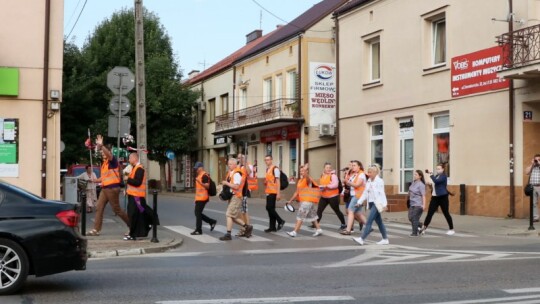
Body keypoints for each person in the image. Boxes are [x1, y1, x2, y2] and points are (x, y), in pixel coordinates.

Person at [87, 135, 130, 236]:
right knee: (99, 207)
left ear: (108, 152)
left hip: (112, 188)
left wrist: (101, 146)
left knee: (117, 209)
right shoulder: (105, 164)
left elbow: (107, 154)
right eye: (101, 153)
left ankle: (132, 226)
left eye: (103, 152)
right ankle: (96, 230)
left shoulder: (112, 160)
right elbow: (104, 177)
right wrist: (95, 180)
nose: (102, 154)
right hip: (105, 188)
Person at [352, 164, 389, 246]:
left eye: (370, 172)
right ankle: (385, 239)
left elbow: (382, 193)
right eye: (368, 172)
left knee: (369, 221)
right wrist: (359, 202)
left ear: (375, 172)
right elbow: (365, 193)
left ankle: (362, 239)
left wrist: (385, 204)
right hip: (371, 203)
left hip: (377, 203)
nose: (369, 174)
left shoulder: (379, 181)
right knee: (379, 222)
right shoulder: (368, 181)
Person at [219, 158, 253, 241]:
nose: (229, 165)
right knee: (233, 217)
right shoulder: (231, 173)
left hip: (236, 197)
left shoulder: (237, 173)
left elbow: (236, 186)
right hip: (232, 197)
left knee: (229, 214)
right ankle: (247, 226)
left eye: (230, 164)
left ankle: (228, 234)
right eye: (228, 164)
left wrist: (226, 183)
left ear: (235, 164)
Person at [286, 164, 323, 237]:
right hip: (307, 202)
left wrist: (306, 170)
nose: (301, 172)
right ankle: (318, 229)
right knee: (313, 217)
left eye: (303, 171)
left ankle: (294, 232)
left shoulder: (308, 179)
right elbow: (297, 192)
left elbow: (307, 177)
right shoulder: (300, 181)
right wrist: (290, 200)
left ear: (306, 171)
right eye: (300, 171)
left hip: (307, 202)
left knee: (300, 217)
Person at [125, 152, 156, 240]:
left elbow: (137, 182)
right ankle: (141, 231)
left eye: (130, 158)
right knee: (140, 213)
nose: (129, 160)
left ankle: (133, 234)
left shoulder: (139, 169)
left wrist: (128, 179)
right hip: (135, 196)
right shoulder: (135, 168)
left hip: (136, 197)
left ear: (135, 158)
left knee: (133, 214)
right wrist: (126, 190)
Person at [419, 164, 455, 236]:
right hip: (435, 197)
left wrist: (431, 174)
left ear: (443, 169)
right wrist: (429, 184)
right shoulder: (436, 176)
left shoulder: (443, 176)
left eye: (439, 169)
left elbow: (437, 182)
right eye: (437, 169)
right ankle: (424, 228)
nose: (437, 170)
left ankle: (451, 229)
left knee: (446, 213)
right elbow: (435, 184)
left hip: (442, 197)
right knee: (430, 213)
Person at [340, 160, 367, 235]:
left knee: (350, 211)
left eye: (354, 165)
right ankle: (368, 227)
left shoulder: (361, 174)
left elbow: (357, 185)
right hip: (353, 195)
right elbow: (349, 183)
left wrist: (347, 182)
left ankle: (348, 230)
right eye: (352, 165)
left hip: (358, 195)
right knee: (357, 213)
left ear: (359, 166)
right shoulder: (355, 174)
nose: (352, 167)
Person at [316, 162, 346, 230]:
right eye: (327, 167)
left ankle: (343, 224)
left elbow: (335, 185)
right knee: (319, 210)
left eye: (330, 168)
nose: (328, 169)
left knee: (337, 210)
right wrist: (320, 189)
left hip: (333, 197)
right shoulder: (322, 175)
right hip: (324, 197)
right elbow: (321, 184)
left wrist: (326, 186)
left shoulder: (333, 176)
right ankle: (316, 224)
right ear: (324, 168)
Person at [191, 161, 217, 235]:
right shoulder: (200, 175)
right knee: (197, 213)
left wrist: (200, 182)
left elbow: (207, 186)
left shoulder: (204, 175)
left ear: (201, 168)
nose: (196, 170)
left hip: (203, 198)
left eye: (197, 168)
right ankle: (211, 222)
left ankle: (199, 230)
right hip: (199, 198)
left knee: (197, 213)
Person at [263, 155, 285, 232]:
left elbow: (278, 181)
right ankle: (272, 227)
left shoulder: (275, 169)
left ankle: (280, 221)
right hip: (268, 191)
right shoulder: (267, 169)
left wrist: (278, 193)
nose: (267, 161)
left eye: (268, 160)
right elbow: (270, 180)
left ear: (271, 160)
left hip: (273, 192)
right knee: (270, 209)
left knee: (269, 208)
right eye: (265, 160)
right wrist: (265, 182)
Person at [236, 153, 251, 236]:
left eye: (241, 157)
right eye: (238, 158)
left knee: (244, 212)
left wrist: (245, 162)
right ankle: (245, 228)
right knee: (240, 212)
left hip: (243, 192)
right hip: (237, 192)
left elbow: (249, 172)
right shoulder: (237, 167)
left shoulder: (246, 166)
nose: (240, 159)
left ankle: (246, 229)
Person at [408, 170, 426, 237]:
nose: (414, 175)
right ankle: (421, 225)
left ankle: (414, 233)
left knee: (414, 218)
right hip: (412, 203)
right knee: (410, 218)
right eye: (414, 174)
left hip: (418, 204)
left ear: (420, 176)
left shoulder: (421, 185)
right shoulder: (413, 182)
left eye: (416, 174)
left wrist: (424, 205)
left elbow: (423, 195)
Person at [525, 154, 540, 222]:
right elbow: (527, 172)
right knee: (534, 203)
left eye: (538, 159)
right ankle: (536, 217)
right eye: (536, 159)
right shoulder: (532, 167)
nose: (537, 161)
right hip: (533, 187)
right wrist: (532, 164)